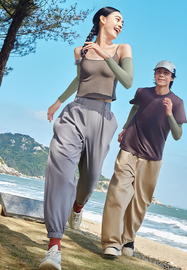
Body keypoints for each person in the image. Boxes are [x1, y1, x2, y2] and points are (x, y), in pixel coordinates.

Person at [39, 6, 133, 270]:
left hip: (103, 118)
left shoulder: (123, 48)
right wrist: (58, 101)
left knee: (90, 179)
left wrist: (106, 55)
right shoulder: (81, 51)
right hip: (76, 111)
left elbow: (127, 81)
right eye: (117, 18)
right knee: (60, 169)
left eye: (123, 21)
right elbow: (79, 79)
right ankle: (54, 246)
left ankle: (77, 207)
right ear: (102, 20)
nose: (121, 24)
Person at [101, 60, 187, 256]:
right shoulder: (142, 92)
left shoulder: (177, 103)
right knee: (117, 191)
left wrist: (169, 114)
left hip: (152, 157)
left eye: (166, 73)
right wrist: (125, 127)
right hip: (130, 147)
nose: (161, 75)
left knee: (140, 202)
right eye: (158, 71)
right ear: (154, 74)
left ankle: (127, 239)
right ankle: (111, 243)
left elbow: (177, 134)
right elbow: (135, 108)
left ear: (172, 78)